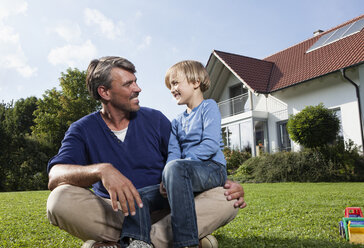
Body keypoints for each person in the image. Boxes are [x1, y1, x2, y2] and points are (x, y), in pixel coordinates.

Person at [46, 56, 247, 248]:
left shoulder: (155, 119)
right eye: (128, 84)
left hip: (168, 207)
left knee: (226, 199)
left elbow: (187, 163)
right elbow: (55, 176)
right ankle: (169, 239)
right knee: (58, 201)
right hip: (115, 211)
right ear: (105, 92)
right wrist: (101, 171)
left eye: (136, 81)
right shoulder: (82, 129)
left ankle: (127, 243)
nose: (138, 89)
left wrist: (221, 182)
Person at [120, 60, 228, 248]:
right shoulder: (177, 121)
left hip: (212, 169)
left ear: (196, 82)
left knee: (176, 168)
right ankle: (138, 241)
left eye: (176, 83)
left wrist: (177, 168)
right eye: (170, 85)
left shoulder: (209, 107)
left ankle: (186, 243)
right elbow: (173, 152)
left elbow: (210, 145)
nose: (172, 89)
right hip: (181, 173)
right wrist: (167, 177)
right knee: (138, 195)